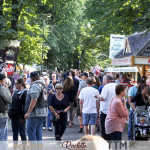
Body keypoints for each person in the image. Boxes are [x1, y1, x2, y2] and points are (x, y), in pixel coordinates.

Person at [24, 72, 47, 141]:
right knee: (38, 132)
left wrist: (28, 112)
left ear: (31, 78)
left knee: (31, 132)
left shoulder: (35, 85)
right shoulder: (42, 85)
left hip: (35, 113)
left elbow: (34, 100)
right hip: (42, 112)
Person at [95, 75, 117, 140]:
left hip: (105, 111)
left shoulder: (106, 87)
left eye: (103, 79)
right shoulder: (117, 86)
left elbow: (103, 98)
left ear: (107, 80)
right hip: (115, 110)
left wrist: (97, 96)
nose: (102, 81)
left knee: (105, 130)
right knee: (113, 129)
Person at [0, 74, 12, 148]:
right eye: (4, 81)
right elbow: (10, 100)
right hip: (1, 114)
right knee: (3, 136)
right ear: (1, 81)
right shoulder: (2, 88)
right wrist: (7, 89)